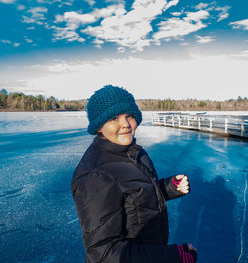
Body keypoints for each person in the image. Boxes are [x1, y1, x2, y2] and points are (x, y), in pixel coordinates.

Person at [71, 85, 197, 263]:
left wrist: (169, 188)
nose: (125, 124)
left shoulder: (132, 153)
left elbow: (135, 199)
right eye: (114, 118)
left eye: (129, 115)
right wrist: (173, 257)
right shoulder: (96, 175)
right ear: (99, 126)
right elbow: (105, 254)